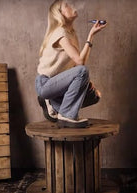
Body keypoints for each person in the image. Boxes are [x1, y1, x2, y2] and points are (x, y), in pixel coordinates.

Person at [35, 0, 107, 128]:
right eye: (67, 5)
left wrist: (90, 36)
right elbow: (80, 64)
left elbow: (79, 63)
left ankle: (54, 104)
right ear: (60, 13)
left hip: (58, 86)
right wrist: (83, 76)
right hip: (45, 84)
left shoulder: (71, 34)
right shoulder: (60, 32)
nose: (72, 6)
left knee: (94, 96)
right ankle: (66, 114)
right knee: (82, 71)